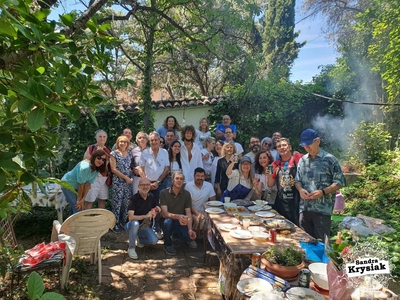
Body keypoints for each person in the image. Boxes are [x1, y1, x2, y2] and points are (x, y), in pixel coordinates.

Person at [295, 129, 346, 241]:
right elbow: (297, 180)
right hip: (305, 208)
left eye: (309, 145)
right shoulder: (302, 160)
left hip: (322, 210)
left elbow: (339, 182)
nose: (306, 148)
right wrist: (300, 190)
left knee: (322, 244)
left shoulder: (330, 160)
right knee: (305, 243)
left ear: (317, 141)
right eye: (304, 145)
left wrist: (322, 192)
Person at [266, 138, 303, 225]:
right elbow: (270, 184)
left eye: (284, 145)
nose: (282, 148)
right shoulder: (274, 164)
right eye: (279, 146)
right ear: (277, 150)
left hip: (297, 202)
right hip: (281, 203)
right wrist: (270, 175)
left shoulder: (298, 158)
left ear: (290, 147)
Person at [160, 171, 197, 255]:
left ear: (183, 181)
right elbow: (164, 214)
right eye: (177, 178)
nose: (179, 180)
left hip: (181, 222)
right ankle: (167, 244)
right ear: (172, 180)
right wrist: (178, 216)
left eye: (181, 179)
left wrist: (190, 229)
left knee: (187, 236)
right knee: (167, 222)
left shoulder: (187, 194)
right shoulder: (164, 193)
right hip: (168, 221)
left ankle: (176, 236)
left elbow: (188, 213)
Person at [61, 149, 107, 215]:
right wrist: (79, 200)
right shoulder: (85, 167)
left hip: (76, 187)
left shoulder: (97, 169)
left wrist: (83, 199)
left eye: (103, 160)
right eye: (99, 158)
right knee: (78, 207)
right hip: (67, 184)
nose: (101, 161)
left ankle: (71, 225)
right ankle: (79, 225)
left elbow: (88, 185)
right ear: (94, 157)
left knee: (75, 208)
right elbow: (81, 185)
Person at [125, 178, 161, 260]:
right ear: (138, 186)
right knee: (135, 223)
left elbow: (157, 207)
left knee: (154, 241)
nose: (145, 187)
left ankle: (140, 239)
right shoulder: (133, 199)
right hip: (130, 225)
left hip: (144, 226)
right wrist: (145, 216)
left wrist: (156, 211)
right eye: (143, 185)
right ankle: (131, 248)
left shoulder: (151, 196)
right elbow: (131, 217)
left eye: (147, 185)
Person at [110, 135, 134, 233]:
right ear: (117, 143)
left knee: (126, 202)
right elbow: (113, 169)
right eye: (121, 142)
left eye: (125, 142)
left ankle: (124, 222)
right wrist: (125, 178)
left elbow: (130, 166)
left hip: (128, 182)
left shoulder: (129, 153)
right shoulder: (113, 154)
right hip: (118, 181)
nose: (123, 143)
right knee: (117, 203)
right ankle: (114, 224)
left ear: (127, 143)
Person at [83, 130, 111, 209]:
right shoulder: (91, 148)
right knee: (89, 201)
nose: (102, 138)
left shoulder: (108, 150)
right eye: (100, 136)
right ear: (96, 138)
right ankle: (86, 220)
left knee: (102, 200)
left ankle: (100, 220)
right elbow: (85, 161)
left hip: (104, 178)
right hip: (93, 178)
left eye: (104, 136)